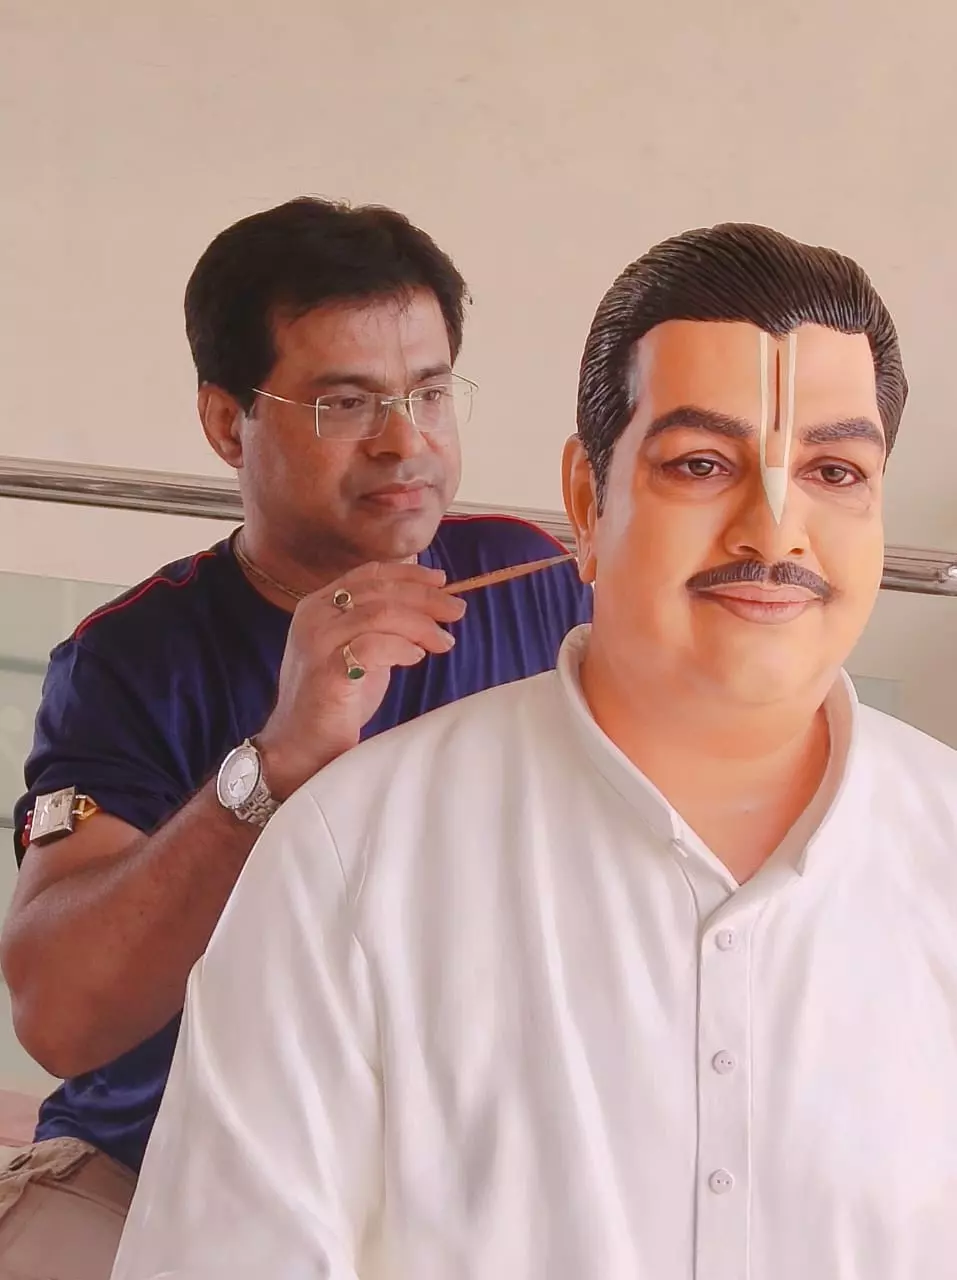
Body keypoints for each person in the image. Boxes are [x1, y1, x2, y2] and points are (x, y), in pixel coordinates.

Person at [114, 222, 957, 1280]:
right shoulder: (350, 858)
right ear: (587, 501)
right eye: (701, 464)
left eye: (834, 469)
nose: (774, 530)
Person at [0, 197, 591, 1279]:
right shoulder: (132, 656)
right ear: (228, 424)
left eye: (429, 391)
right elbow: (59, 1016)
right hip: (152, 1171)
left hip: (461, 1191)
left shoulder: (539, 584)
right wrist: (278, 761)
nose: (405, 441)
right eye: (346, 402)